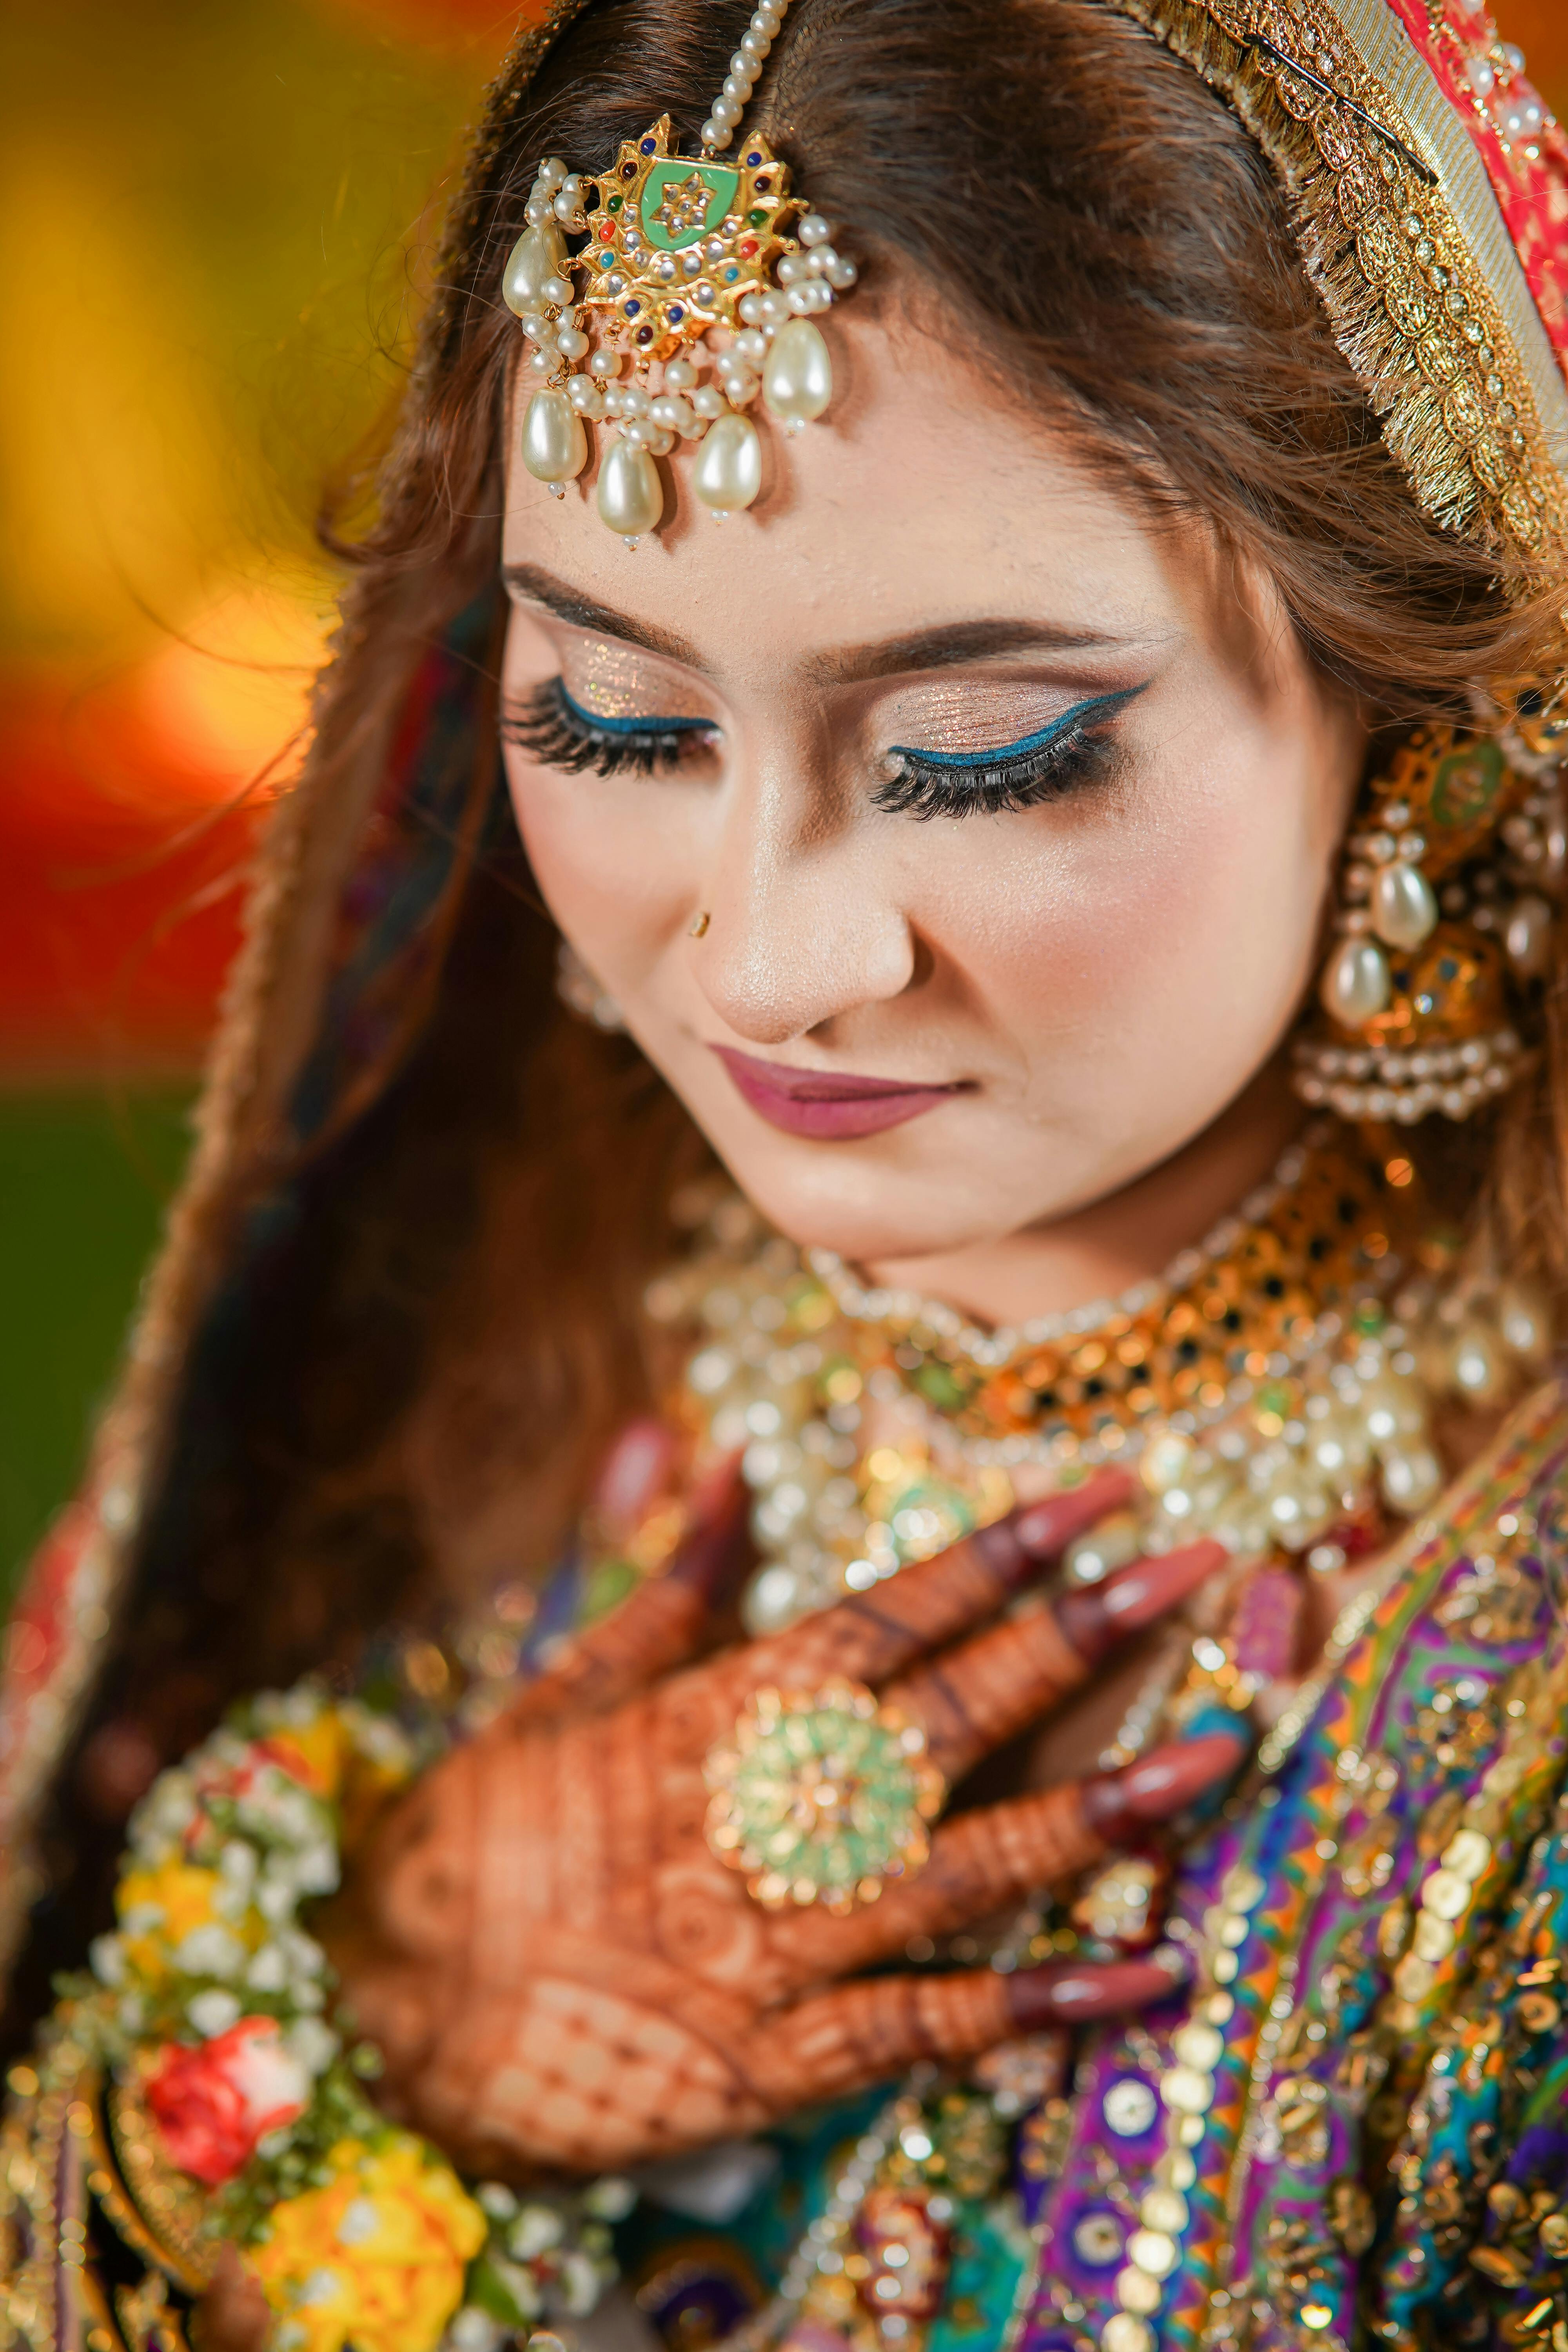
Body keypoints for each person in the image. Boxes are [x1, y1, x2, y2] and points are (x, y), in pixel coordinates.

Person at [4, 2, 1568, 2348]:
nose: (761, 957)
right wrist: (382, 2024)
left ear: (1423, 710)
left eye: (980, 750)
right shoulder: (456, 1374)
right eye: (612, 721)